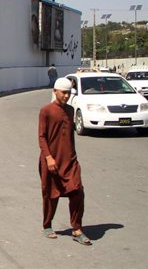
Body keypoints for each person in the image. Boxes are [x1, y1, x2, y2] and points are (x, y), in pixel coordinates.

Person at [38, 77, 91, 245]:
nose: (67, 96)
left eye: (69, 93)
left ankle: (76, 228)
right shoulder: (46, 111)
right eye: (64, 92)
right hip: (51, 161)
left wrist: (73, 157)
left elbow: (70, 137)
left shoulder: (70, 110)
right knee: (51, 195)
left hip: (69, 160)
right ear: (55, 92)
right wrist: (48, 157)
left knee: (77, 191)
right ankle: (47, 225)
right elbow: (42, 137)